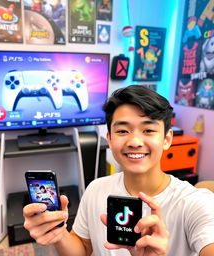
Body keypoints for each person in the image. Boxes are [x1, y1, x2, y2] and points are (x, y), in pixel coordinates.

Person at [23, 85, 214, 256]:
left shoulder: (195, 203)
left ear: (167, 139)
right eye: (123, 131)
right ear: (110, 138)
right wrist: (59, 234)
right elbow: (82, 249)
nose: (135, 142)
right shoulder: (96, 189)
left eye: (148, 130)